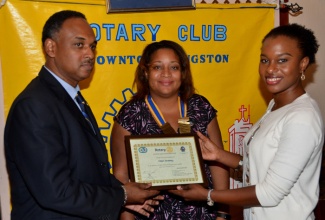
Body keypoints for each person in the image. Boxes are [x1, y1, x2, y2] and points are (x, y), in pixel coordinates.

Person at [4, 10, 161, 220]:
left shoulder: (71, 98)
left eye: (92, 46)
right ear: (51, 47)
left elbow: (89, 172)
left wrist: (127, 191)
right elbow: (56, 192)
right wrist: (122, 195)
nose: (90, 54)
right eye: (79, 45)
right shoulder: (34, 105)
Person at [169, 23, 324, 220]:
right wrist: (219, 155)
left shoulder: (302, 118)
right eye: (265, 60)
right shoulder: (275, 106)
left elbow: (271, 193)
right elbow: (260, 167)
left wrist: (207, 195)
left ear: (303, 64)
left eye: (282, 60)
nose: (270, 69)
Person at [111, 40, 230, 219]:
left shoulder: (201, 107)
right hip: (151, 213)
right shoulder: (130, 113)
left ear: (183, 72)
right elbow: (121, 176)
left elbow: (218, 164)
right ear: (145, 72)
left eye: (174, 67)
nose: (166, 74)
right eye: (157, 67)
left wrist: (223, 213)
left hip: (203, 212)